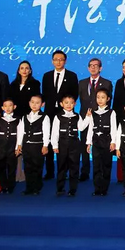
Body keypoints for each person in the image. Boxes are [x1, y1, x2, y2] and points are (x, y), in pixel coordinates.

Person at [41, 50, 79, 180]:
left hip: (65, 113)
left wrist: (66, 106)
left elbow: (74, 94)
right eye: (56, 59)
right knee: (49, 140)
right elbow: (45, 94)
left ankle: (64, 171)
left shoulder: (72, 76)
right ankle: (50, 171)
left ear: (65, 61)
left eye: (61, 59)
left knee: (64, 142)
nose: (58, 62)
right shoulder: (46, 76)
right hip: (49, 112)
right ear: (52, 61)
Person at [77, 58, 113, 182]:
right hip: (85, 117)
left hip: (100, 118)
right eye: (91, 65)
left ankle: (101, 171)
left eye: (96, 65)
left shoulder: (107, 83)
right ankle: (85, 171)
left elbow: (108, 102)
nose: (93, 68)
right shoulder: (82, 83)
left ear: (100, 68)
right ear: (88, 68)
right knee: (84, 145)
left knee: (101, 145)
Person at [9, 60, 40, 184]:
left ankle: (28, 173)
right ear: (18, 70)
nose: (24, 70)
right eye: (22, 68)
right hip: (15, 117)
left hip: (29, 118)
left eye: (27, 68)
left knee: (27, 145)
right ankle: (17, 173)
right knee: (16, 144)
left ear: (30, 70)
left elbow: (36, 100)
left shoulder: (35, 83)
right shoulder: (13, 84)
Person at [51, 95, 87, 197]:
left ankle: (72, 189)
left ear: (75, 104)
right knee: (61, 167)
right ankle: (60, 188)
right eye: (66, 102)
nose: (69, 105)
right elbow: (54, 132)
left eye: (71, 103)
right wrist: (54, 145)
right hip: (62, 144)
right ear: (61, 104)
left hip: (74, 145)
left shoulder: (77, 116)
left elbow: (81, 127)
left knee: (74, 167)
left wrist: (88, 118)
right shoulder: (58, 117)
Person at [83, 89, 117, 196]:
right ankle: (97, 188)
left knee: (106, 165)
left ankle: (104, 188)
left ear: (108, 99)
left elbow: (113, 128)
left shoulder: (111, 112)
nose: (100, 100)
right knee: (96, 165)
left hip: (107, 142)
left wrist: (113, 142)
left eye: (103, 97)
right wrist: (89, 143)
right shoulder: (92, 112)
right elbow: (90, 128)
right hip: (96, 142)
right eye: (98, 97)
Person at [15, 94, 50, 196]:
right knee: (27, 166)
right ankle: (29, 187)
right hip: (27, 145)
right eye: (32, 102)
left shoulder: (44, 117)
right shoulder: (25, 117)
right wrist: (19, 144)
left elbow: (46, 132)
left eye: (37, 103)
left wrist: (45, 145)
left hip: (38, 145)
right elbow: (21, 131)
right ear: (29, 103)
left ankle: (36, 187)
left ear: (42, 104)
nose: (34, 105)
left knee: (37, 166)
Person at [0, 97, 22, 194]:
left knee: (12, 167)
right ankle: (3, 186)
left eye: (10, 105)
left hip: (12, 146)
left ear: (14, 107)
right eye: (5, 106)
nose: (8, 108)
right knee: (1, 167)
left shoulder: (18, 119)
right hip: (1, 146)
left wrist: (18, 146)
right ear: (2, 108)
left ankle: (11, 186)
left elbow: (20, 133)